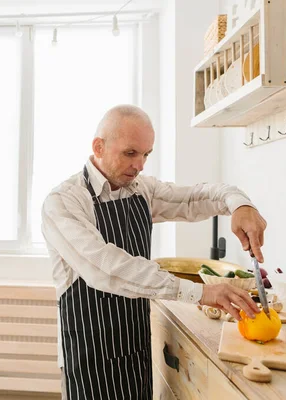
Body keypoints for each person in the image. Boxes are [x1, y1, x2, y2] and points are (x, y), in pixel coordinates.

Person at [41, 105, 265, 400]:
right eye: (130, 153)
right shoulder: (64, 202)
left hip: (134, 345)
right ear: (99, 147)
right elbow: (107, 268)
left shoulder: (140, 190)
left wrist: (240, 205)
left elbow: (197, 197)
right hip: (89, 353)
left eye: (147, 154)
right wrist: (200, 292)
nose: (141, 165)